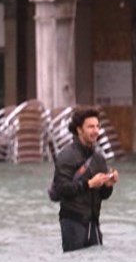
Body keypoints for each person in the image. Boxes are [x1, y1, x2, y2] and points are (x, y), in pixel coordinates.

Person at [49, 107, 118, 252]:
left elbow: (103, 195)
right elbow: (62, 189)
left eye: (97, 126)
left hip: (94, 222)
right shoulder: (66, 156)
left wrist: (108, 185)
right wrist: (89, 184)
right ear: (79, 130)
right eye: (91, 127)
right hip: (72, 221)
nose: (96, 131)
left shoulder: (99, 159)